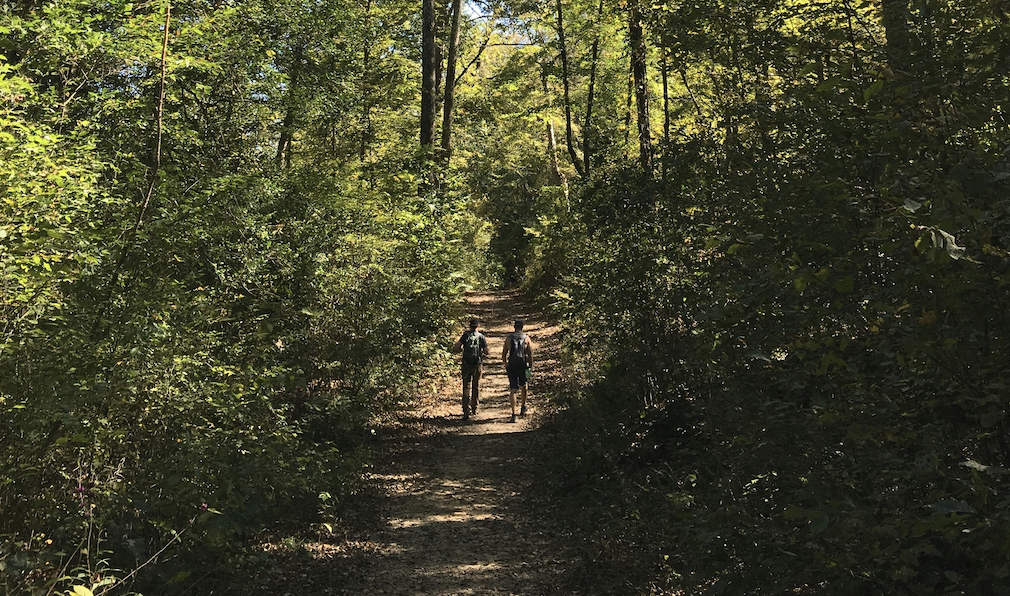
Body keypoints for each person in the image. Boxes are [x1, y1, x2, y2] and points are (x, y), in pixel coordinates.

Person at [454, 317, 489, 420]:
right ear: (478, 326)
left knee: (466, 386)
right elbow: (487, 351)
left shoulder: (465, 335)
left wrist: (461, 351)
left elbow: (457, 347)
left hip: (466, 364)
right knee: (476, 386)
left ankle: (465, 410)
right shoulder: (481, 337)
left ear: (470, 326)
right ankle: (474, 408)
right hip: (477, 364)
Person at [501, 317, 533, 423]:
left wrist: (506, 364)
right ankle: (523, 407)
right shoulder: (527, 338)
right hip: (522, 365)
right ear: (522, 327)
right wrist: (530, 366)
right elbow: (530, 354)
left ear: (514, 327)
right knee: (524, 386)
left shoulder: (509, 338)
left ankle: (514, 413)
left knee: (513, 389)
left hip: (512, 365)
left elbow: (504, 354)